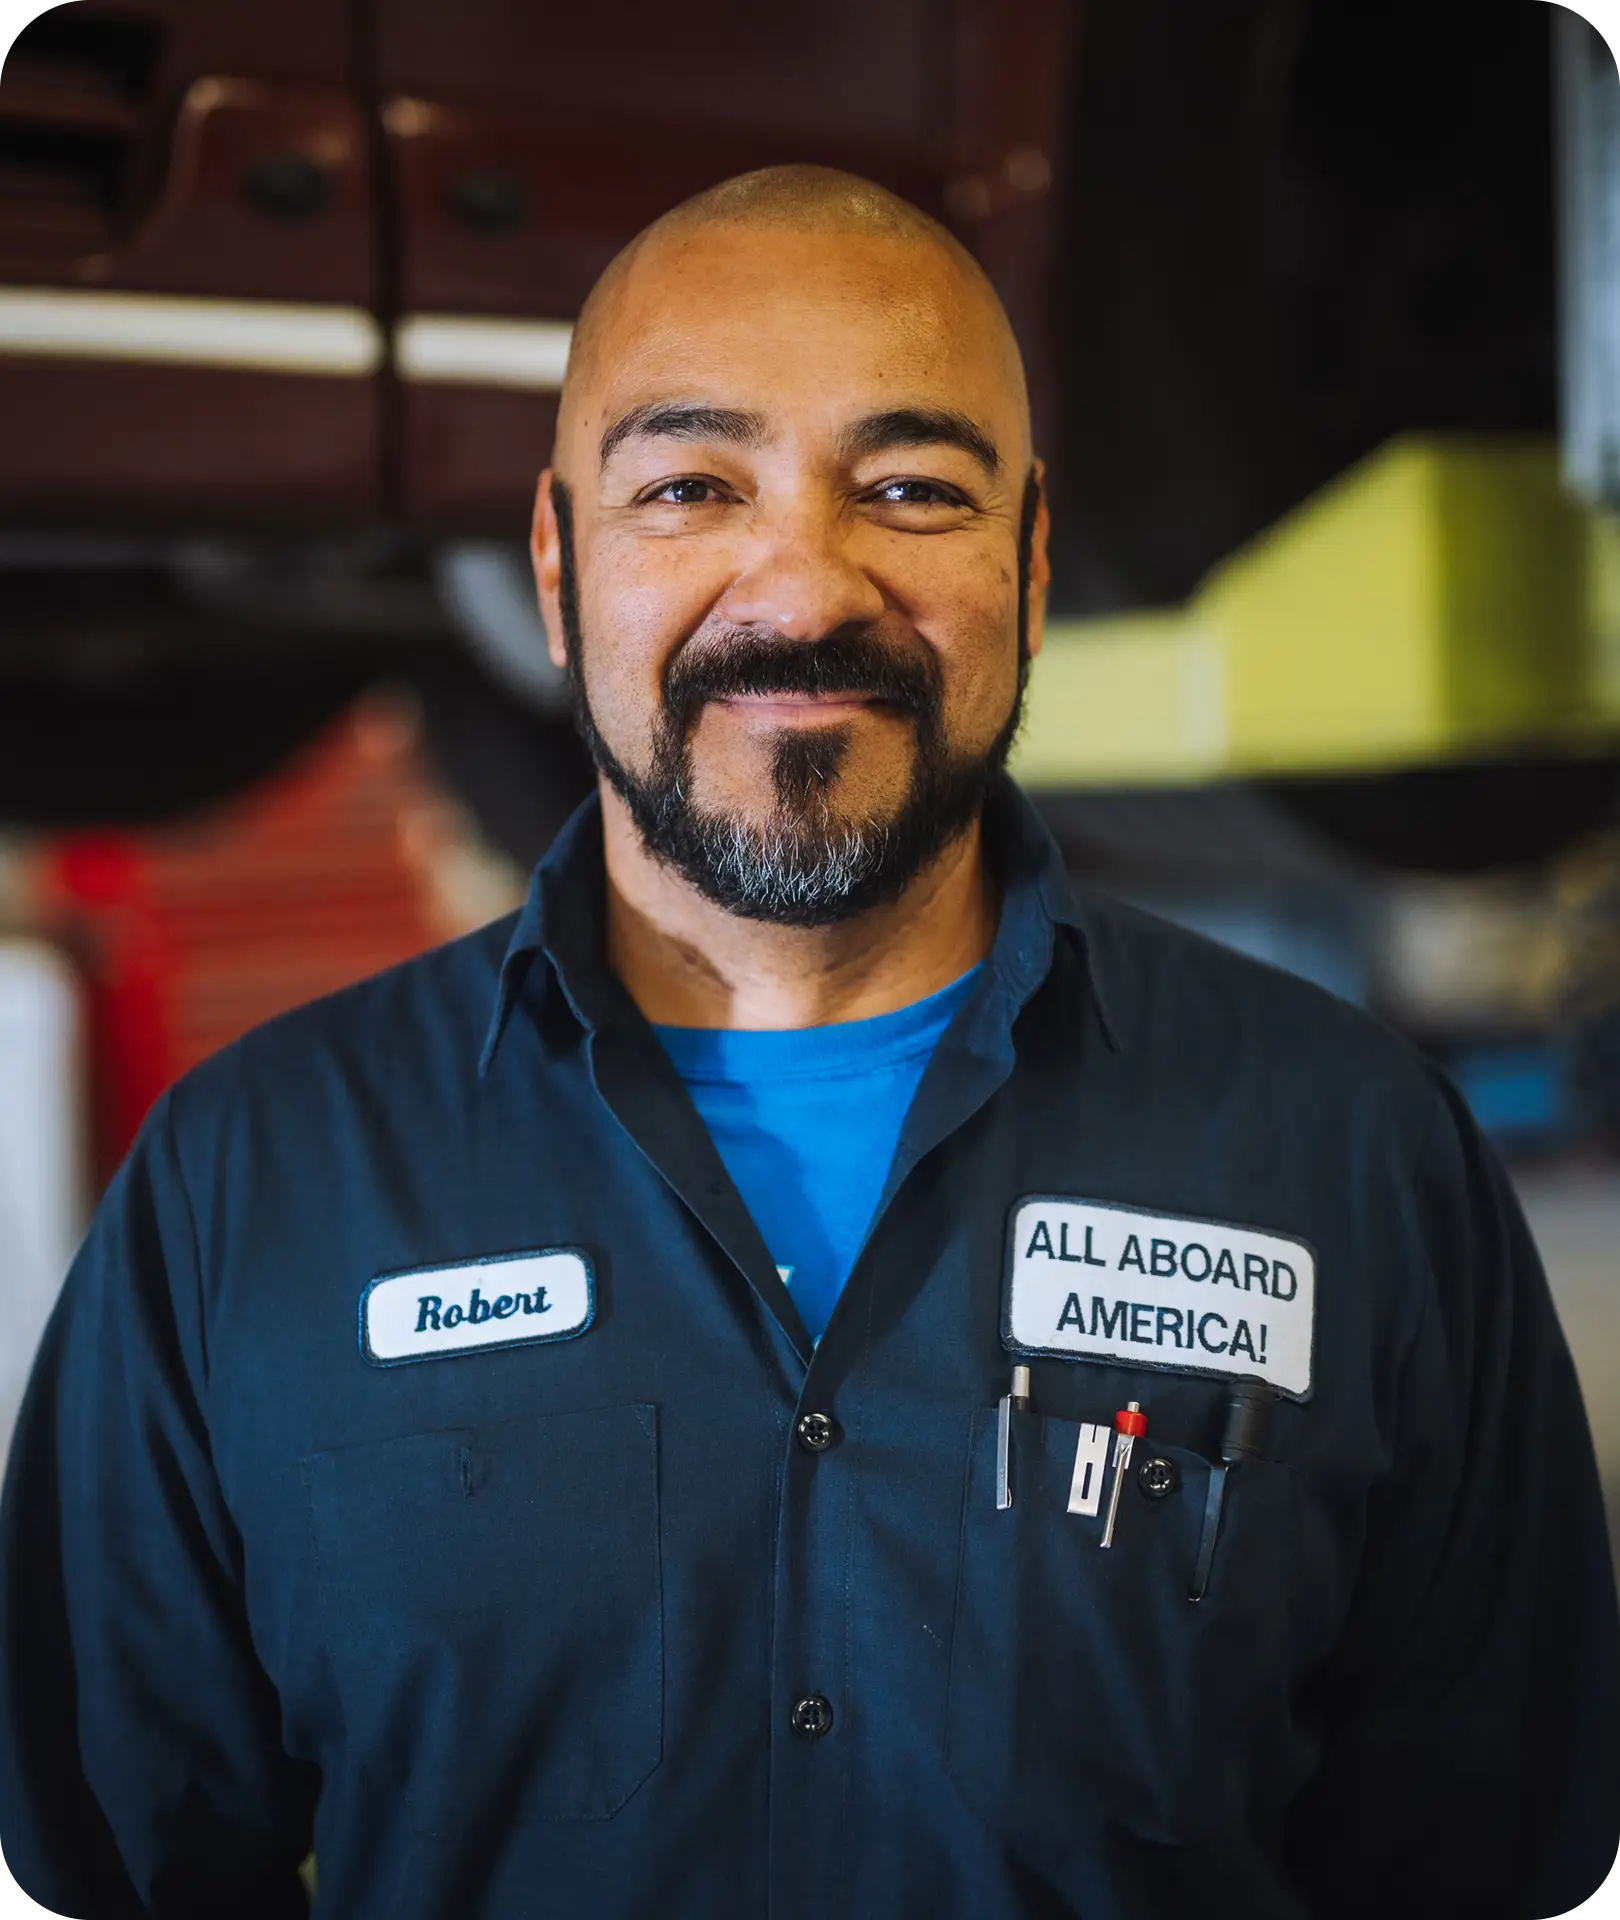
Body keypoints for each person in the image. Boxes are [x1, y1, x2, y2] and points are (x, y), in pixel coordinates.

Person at [1, 165, 1617, 1920]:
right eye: (691, 487)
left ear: (1031, 564)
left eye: (911, 488)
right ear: (556, 568)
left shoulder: (1354, 1153)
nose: (802, 586)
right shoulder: (251, 1186)